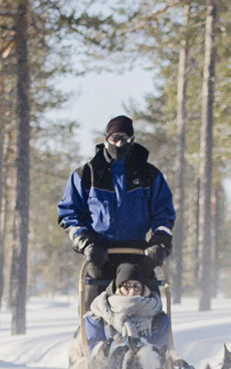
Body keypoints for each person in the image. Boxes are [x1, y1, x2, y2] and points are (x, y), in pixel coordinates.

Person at [58, 115, 176, 316]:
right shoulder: (86, 174)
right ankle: (91, 343)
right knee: (93, 312)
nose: (119, 143)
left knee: (150, 308)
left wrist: (160, 241)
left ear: (132, 139)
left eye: (123, 138)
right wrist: (86, 243)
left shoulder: (149, 175)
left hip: (139, 253)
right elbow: (69, 214)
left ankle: (155, 345)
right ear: (106, 139)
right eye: (114, 138)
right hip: (99, 252)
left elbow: (163, 213)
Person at [84, 262, 171, 352]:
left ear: (143, 289)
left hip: (147, 362)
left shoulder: (159, 318)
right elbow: (94, 351)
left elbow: (161, 351)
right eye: (127, 286)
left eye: (136, 287)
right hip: (110, 362)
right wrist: (111, 347)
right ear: (118, 288)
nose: (132, 291)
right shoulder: (98, 315)